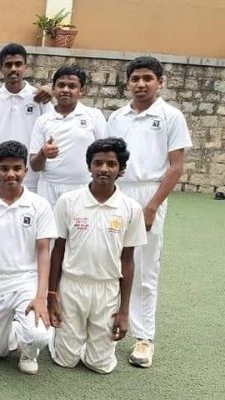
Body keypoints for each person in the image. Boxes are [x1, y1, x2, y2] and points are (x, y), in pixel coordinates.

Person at [105, 56, 192, 368]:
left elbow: (176, 166)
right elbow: (108, 159)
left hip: (149, 193)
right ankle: (107, 325)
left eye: (147, 78)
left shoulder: (171, 116)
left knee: (144, 267)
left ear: (160, 82)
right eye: (135, 79)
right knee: (109, 260)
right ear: (127, 82)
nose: (141, 84)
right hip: (118, 192)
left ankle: (144, 338)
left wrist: (152, 206)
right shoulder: (117, 117)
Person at [48, 138, 147, 373]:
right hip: (72, 286)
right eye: (98, 163)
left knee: (100, 365)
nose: (104, 169)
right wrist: (52, 295)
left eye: (111, 164)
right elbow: (57, 250)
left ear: (121, 169)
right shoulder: (68, 202)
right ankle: (60, 339)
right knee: (65, 360)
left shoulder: (131, 208)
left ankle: (90, 342)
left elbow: (128, 261)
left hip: (107, 289)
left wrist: (124, 311)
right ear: (89, 166)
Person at [0, 140, 55, 375]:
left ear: (25, 170)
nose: (11, 174)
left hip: (25, 281)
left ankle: (29, 350)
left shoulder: (39, 205)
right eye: (4, 168)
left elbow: (44, 251)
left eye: (17, 168)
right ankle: (15, 328)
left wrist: (41, 297)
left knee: (39, 335)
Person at [0, 43, 53, 193]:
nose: (13, 69)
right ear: (1, 69)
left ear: (25, 67)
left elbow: (52, 133)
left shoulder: (39, 98)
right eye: (8, 65)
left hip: (31, 178)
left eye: (18, 64)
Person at [29, 65, 106, 206]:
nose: (65, 90)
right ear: (53, 89)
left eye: (72, 86)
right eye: (61, 85)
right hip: (48, 188)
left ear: (81, 91)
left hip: (84, 187)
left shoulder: (94, 116)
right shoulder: (42, 120)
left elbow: (105, 154)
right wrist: (43, 153)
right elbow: (34, 165)